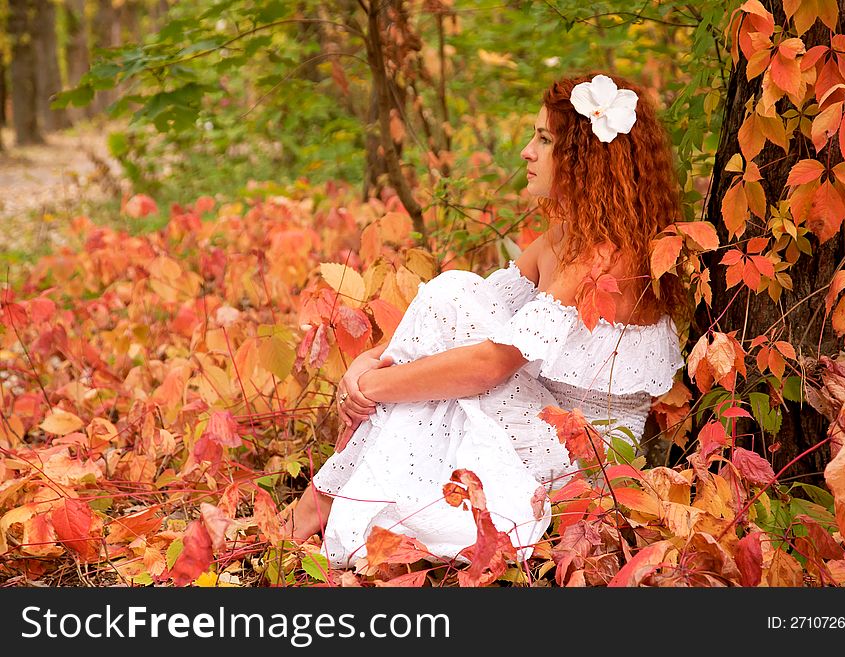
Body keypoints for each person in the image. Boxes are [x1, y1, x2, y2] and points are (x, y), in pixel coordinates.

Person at [292, 72, 687, 569]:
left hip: (586, 452)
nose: (526, 151)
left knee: (452, 321)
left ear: (585, 158)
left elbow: (489, 365)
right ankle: (329, 497)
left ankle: (324, 498)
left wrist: (373, 387)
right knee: (454, 292)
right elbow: (464, 313)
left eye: (544, 140)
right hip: (539, 418)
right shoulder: (565, 235)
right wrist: (369, 363)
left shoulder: (600, 250)